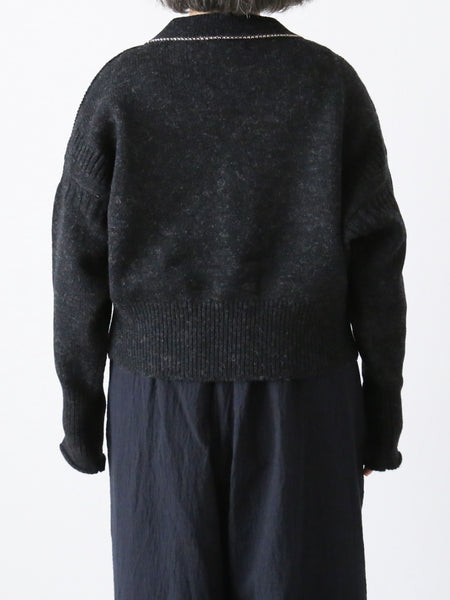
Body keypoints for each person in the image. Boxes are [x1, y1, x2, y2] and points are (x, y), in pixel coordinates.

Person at [51, 1, 407, 598]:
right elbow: (378, 268)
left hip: (158, 401)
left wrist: (82, 423)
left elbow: (75, 262)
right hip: (305, 400)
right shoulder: (328, 83)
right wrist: (380, 422)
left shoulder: (122, 85)